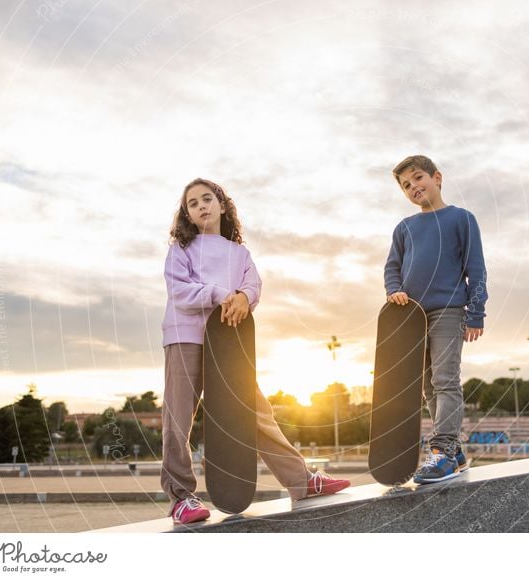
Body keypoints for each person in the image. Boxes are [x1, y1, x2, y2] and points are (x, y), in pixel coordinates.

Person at [161, 178, 350, 524]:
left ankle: (301, 481)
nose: (201, 206)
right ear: (186, 214)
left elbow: (253, 285)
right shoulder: (181, 250)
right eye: (193, 203)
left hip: (230, 341)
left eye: (208, 199)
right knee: (178, 418)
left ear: (222, 205)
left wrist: (244, 297)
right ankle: (181, 497)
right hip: (185, 336)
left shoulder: (239, 253)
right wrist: (222, 294)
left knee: (256, 414)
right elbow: (179, 291)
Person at [384, 155, 488, 483]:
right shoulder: (405, 228)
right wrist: (394, 291)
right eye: (406, 185)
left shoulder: (462, 219)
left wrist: (476, 312)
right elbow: (392, 268)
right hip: (411, 318)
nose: (414, 187)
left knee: (446, 380)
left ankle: (442, 451)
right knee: (428, 387)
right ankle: (455, 452)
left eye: (418, 178)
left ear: (437, 177)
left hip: (448, 310)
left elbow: (476, 269)